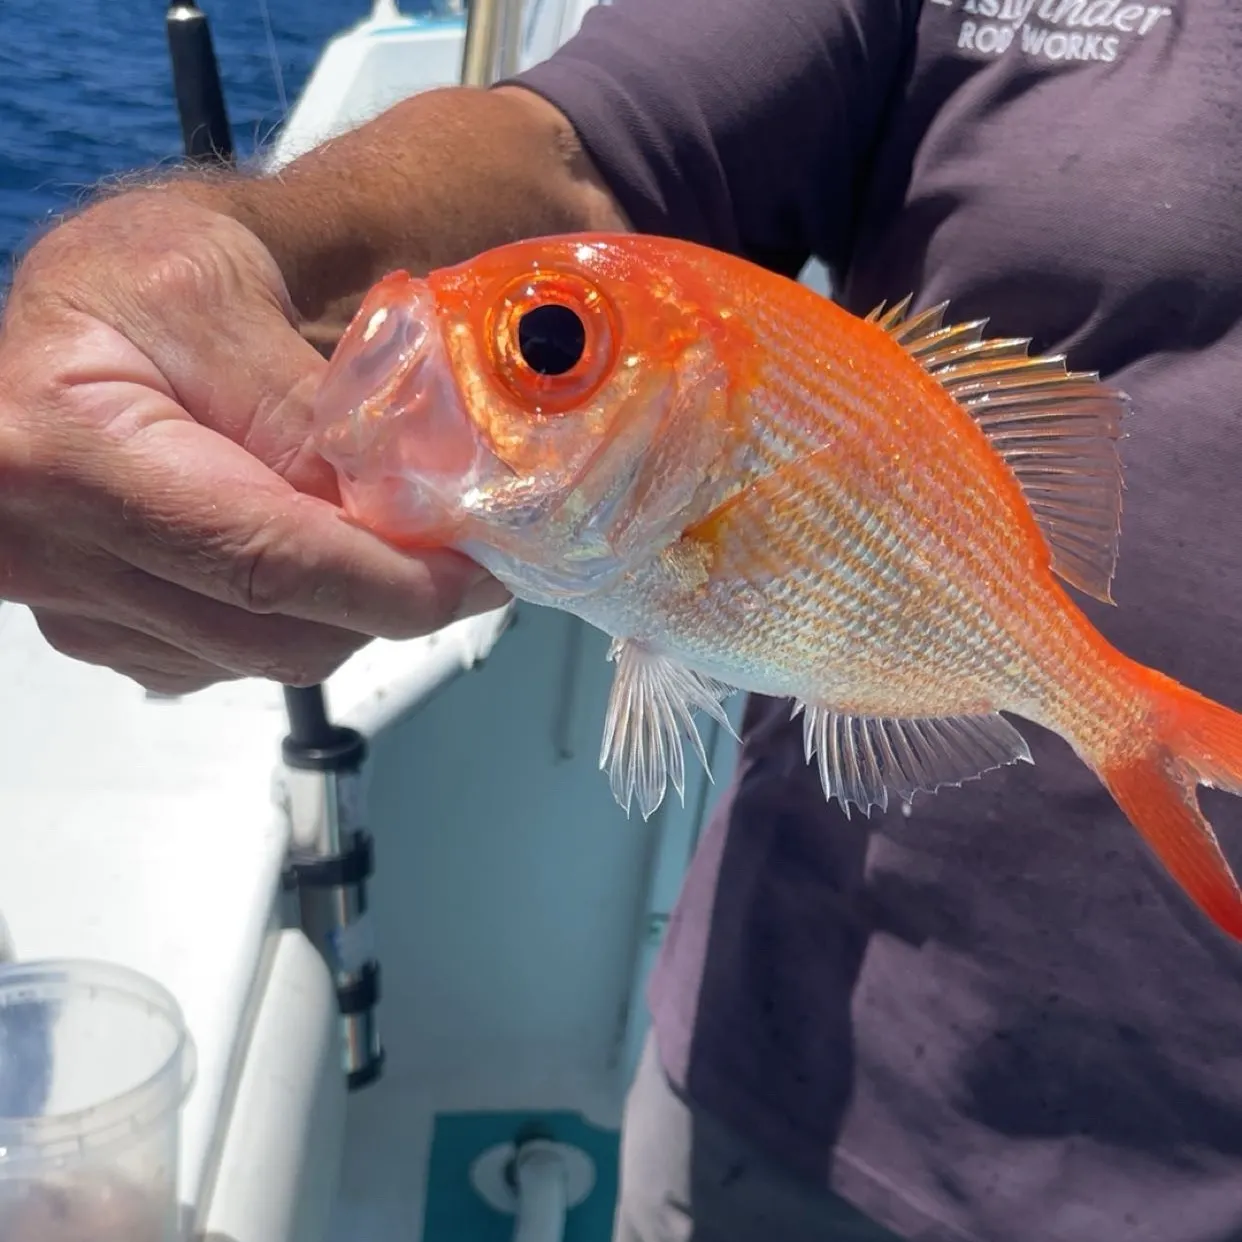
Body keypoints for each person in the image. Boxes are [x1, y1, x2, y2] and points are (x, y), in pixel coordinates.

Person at [2, 0, 1241, 1237]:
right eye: (557, 344)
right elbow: (577, 156)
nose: (484, 346)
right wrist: (223, 253)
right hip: (811, 1080)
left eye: (544, 346)